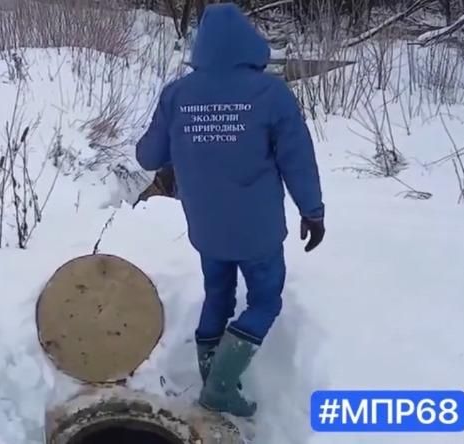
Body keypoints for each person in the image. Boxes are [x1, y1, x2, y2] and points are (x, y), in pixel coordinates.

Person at [134, 3, 325, 417]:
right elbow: (297, 159)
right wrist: (313, 210)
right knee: (265, 301)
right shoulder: (270, 94)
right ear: (247, 42)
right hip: (258, 230)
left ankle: (212, 377)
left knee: (218, 294)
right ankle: (221, 385)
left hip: (206, 227)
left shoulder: (178, 94)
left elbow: (149, 156)